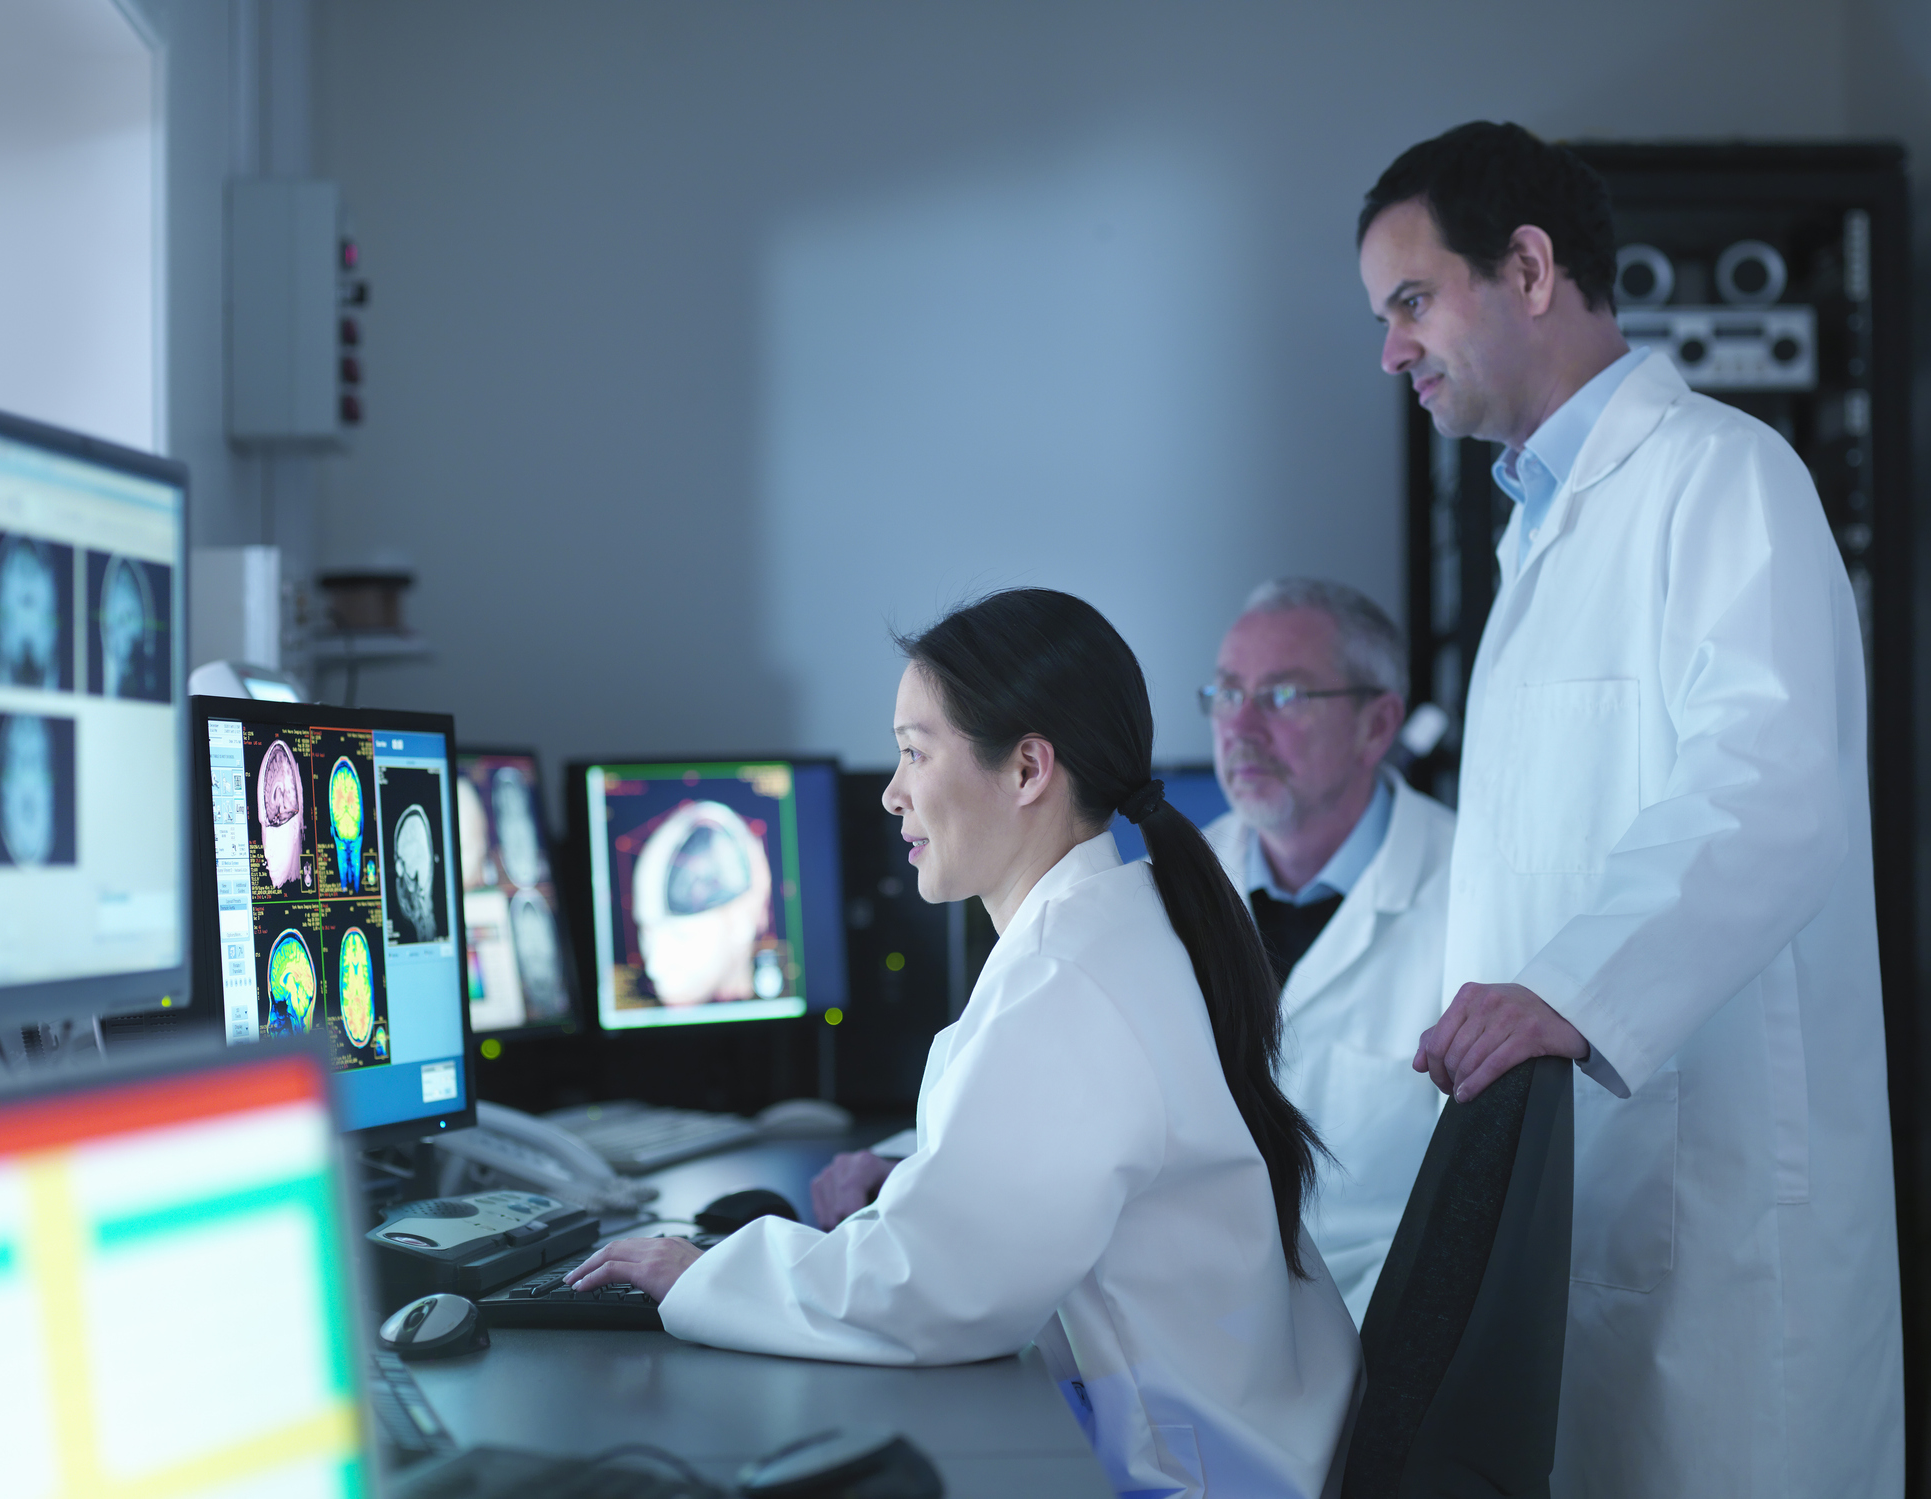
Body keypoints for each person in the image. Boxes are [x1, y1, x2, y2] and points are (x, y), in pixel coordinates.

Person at [1358, 121, 1902, 1495]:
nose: (1389, 352)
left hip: (1709, 1214)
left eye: (1410, 301)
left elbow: (1765, 793)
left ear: (1526, 267)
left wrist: (1563, 987)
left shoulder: (1719, 477)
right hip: (1587, 1189)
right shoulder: (1539, 523)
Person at [566, 589, 1361, 1499]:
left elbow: (935, 1292)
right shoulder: (1114, 922)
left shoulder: (1069, 977)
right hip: (1243, 1433)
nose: (891, 790)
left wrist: (702, 1273)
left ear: (1027, 769)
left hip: (1200, 1474)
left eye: (914, 751)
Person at [1199, 578, 1449, 1323]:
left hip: (1386, 1348)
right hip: (1186, 1335)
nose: (1238, 727)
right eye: (1224, 692)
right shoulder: (1157, 894)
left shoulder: (1475, 892)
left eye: (1281, 697)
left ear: (1377, 725)